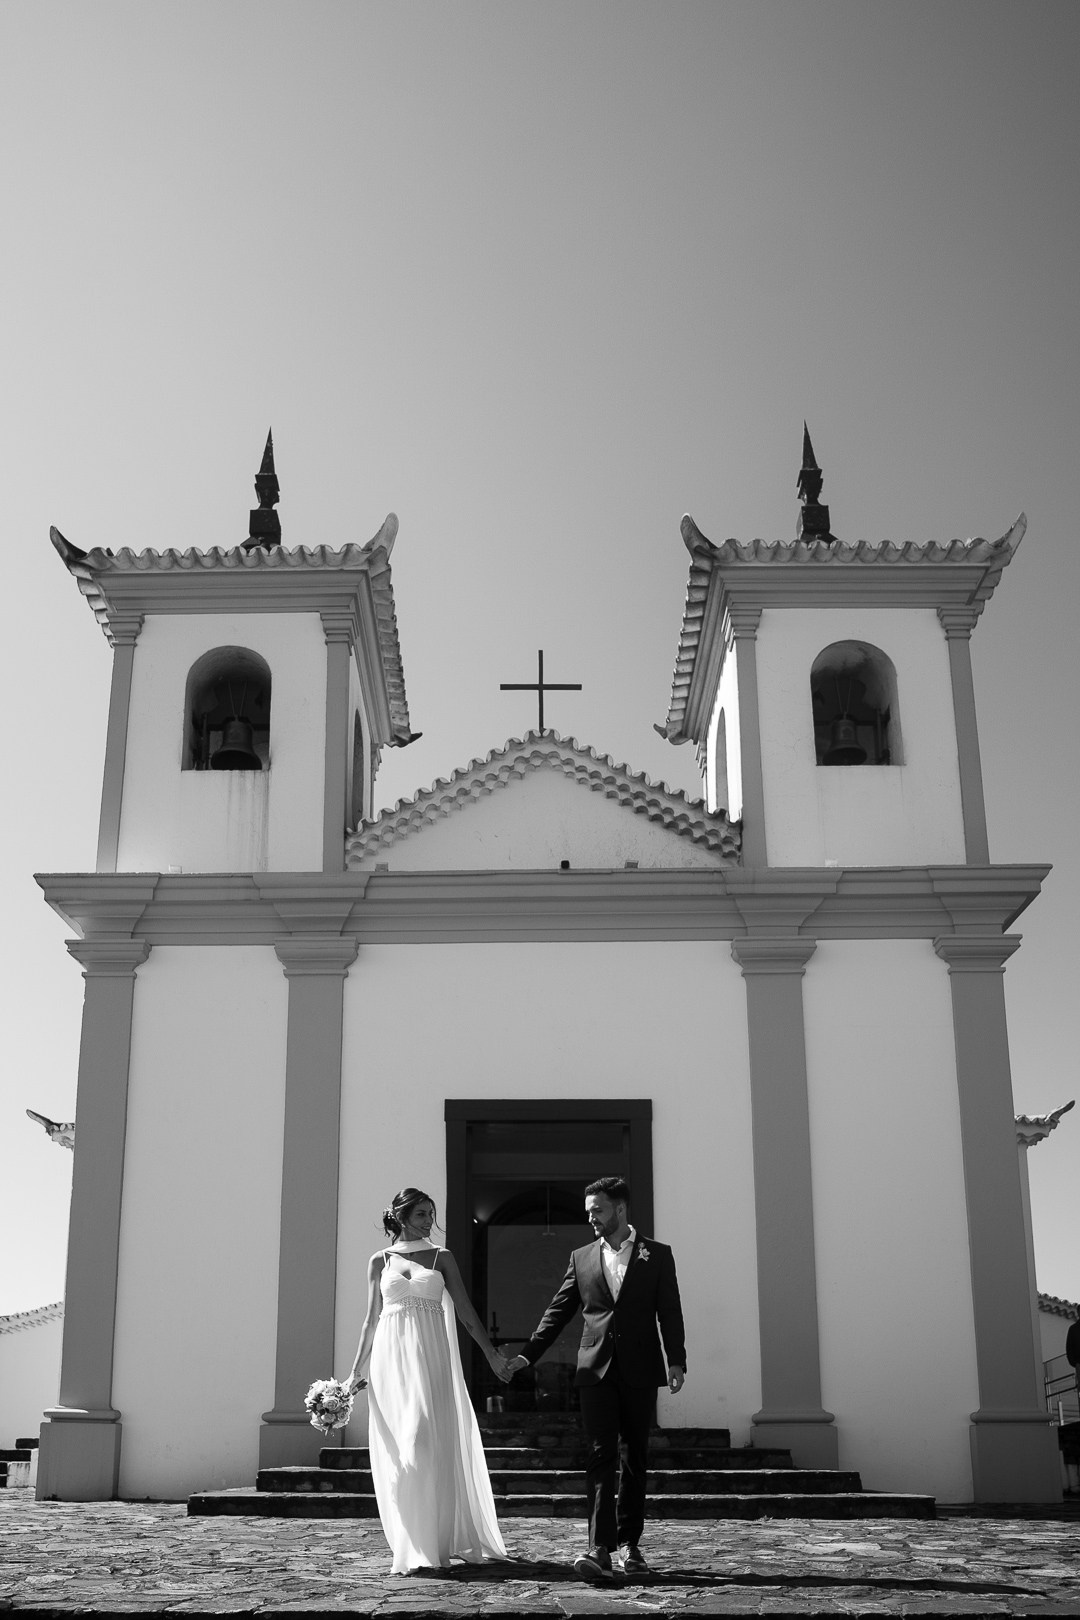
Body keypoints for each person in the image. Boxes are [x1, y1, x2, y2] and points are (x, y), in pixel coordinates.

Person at [506, 1175, 686, 1584]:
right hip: (595, 1369)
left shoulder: (656, 1255)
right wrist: (526, 1354)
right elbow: (558, 1311)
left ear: (620, 1210)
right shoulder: (581, 1257)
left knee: (634, 1456)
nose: (591, 1218)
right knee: (600, 1454)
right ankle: (599, 1547)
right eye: (588, 1212)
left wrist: (677, 1360)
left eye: (598, 1210)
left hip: (640, 1369)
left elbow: (669, 1311)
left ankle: (631, 1545)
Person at [344, 1186, 512, 1574]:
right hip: (391, 1362)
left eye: (430, 1215)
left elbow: (466, 1311)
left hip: (430, 1357)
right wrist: (356, 1373)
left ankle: (434, 1542)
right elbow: (370, 1320)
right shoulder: (379, 1261)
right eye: (421, 1215)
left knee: (422, 1439)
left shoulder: (442, 1257)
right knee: (400, 1449)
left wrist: (490, 1353)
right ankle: (411, 1545)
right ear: (401, 1216)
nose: (428, 1222)